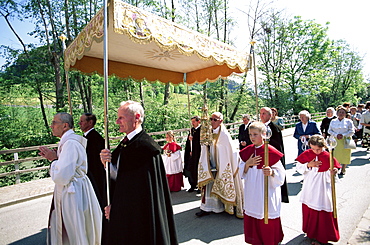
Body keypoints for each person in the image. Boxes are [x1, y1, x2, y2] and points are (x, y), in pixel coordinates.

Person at [99, 100, 178, 244]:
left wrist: (117, 209)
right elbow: (120, 176)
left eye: (121, 117)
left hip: (139, 219)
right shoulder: (126, 143)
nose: (117, 122)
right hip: (127, 218)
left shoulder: (145, 148)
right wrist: (107, 163)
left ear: (136, 117)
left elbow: (139, 194)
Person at [39, 112, 102, 244]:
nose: (51, 126)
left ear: (65, 126)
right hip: (74, 189)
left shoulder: (71, 144)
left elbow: (62, 176)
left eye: (54, 122)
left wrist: (53, 160)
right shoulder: (68, 142)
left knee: (74, 229)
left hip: (73, 193)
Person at [239, 121, 285, 245]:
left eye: (255, 134)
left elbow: (281, 174)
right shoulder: (247, 151)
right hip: (252, 189)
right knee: (253, 213)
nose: (252, 137)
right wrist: (247, 164)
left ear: (264, 134)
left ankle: (270, 240)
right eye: (250, 134)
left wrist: (271, 172)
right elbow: (240, 171)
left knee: (267, 214)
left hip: (266, 189)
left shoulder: (270, 151)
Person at [196, 112, 244, 218]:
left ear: (220, 121)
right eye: (211, 119)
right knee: (208, 185)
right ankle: (206, 207)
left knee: (220, 182)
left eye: (215, 120)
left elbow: (229, 151)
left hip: (221, 164)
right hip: (210, 163)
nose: (212, 122)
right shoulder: (209, 132)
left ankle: (221, 207)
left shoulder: (224, 135)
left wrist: (220, 163)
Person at [295, 135, 341, 245]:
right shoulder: (307, 153)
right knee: (309, 209)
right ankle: (310, 233)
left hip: (322, 188)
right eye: (313, 149)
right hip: (309, 186)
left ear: (323, 146)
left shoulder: (328, 156)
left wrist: (333, 172)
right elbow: (299, 167)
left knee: (321, 211)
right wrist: (308, 165)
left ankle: (321, 237)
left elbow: (333, 171)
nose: (316, 152)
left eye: (319, 149)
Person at [78, 113, 108, 244]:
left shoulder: (95, 139)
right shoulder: (84, 138)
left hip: (94, 177)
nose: (80, 124)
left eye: (82, 121)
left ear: (90, 123)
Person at [260, 107, 289, 203]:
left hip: (271, 159)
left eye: (264, 113)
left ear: (270, 115)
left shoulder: (275, 129)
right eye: (261, 113)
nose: (261, 115)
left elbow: (277, 146)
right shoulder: (258, 127)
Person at [328, 106, 355, 176]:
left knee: (345, 154)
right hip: (335, 140)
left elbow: (352, 131)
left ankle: (343, 168)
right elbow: (329, 130)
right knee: (336, 154)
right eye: (340, 112)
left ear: (345, 114)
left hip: (346, 139)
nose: (341, 114)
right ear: (337, 113)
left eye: (343, 112)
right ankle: (337, 167)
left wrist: (343, 135)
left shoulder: (349, 121)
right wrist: (336, 134)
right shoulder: (333, 121)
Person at [184, 116, 201, 193]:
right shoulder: (191, 130)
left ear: (198, 122)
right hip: (191, 154)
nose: (192, 123)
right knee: (190, 168)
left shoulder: (201, 130)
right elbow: (189, 143)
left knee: (197, 169)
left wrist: (194, 140)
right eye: (192, 122)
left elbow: (200, 142)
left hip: (198, 153)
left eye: (194, 121)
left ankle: (199, 186)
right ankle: (192, 184)